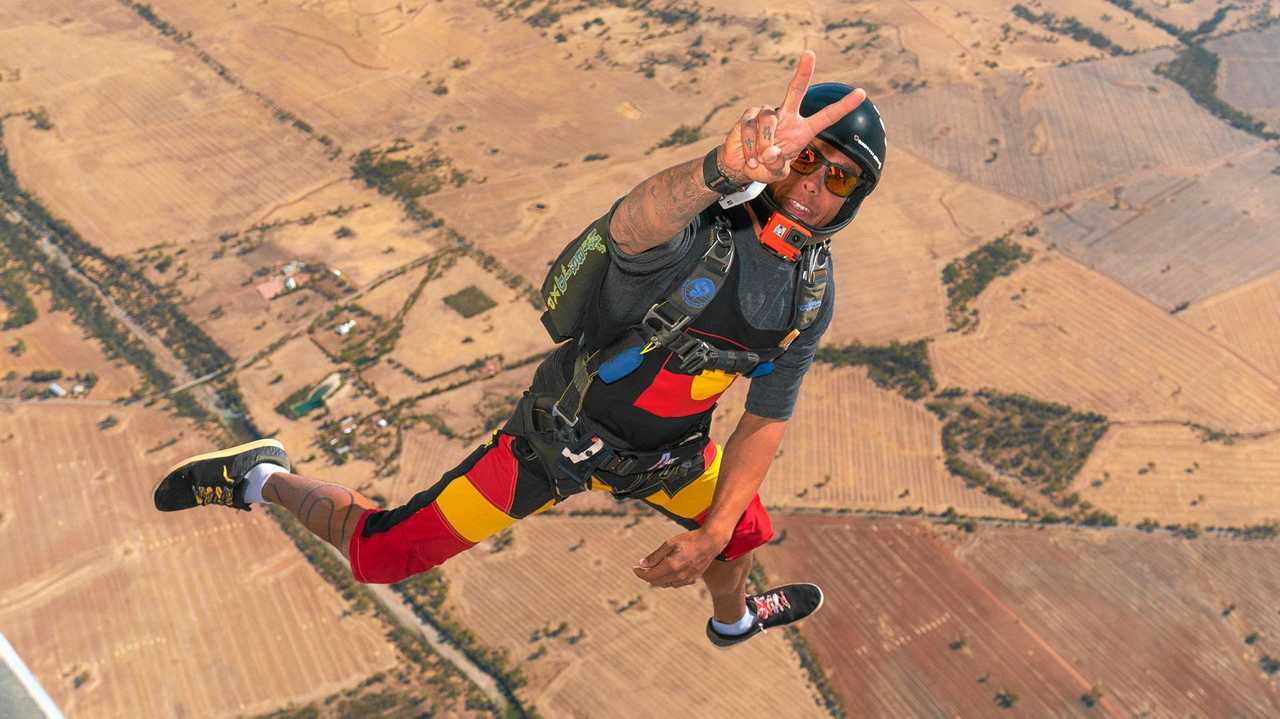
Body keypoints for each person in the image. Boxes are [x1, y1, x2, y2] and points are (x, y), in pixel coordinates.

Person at [154, 50, 886, 648]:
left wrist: (717, 528)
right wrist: (717, 172)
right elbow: (633, 225)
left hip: (671, 458)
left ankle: (733, 619)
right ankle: (262, 477)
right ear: (779, 155)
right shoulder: (696, 239)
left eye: (839, 176)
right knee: (381, 555)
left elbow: (767, 414)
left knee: (742, 530)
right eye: (805, 158)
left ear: (851, 202)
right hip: (553, 446)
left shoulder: (810, 293)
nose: (812, 183)